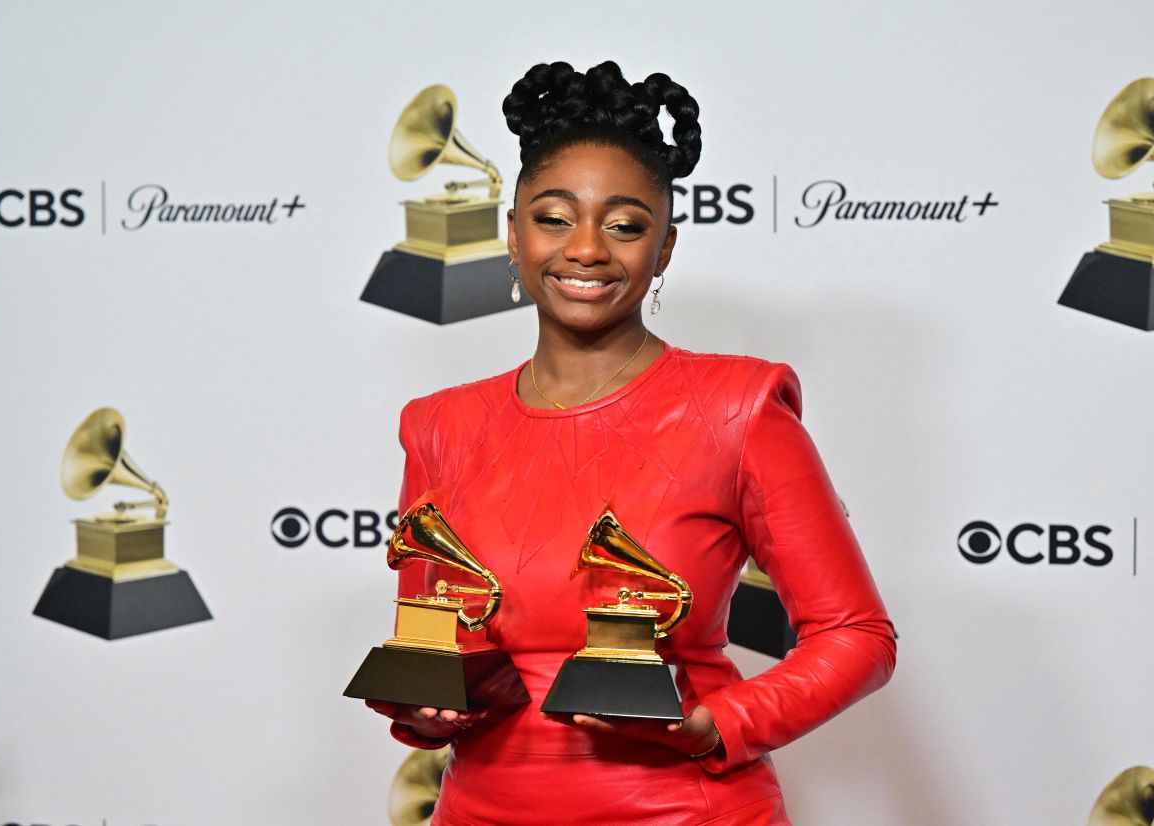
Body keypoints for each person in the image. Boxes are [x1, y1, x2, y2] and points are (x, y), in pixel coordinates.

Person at [365, 60, 896, 826]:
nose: (586, 249)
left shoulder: (739, 407)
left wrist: (721, 724)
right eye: (553, 218)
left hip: (686, 810)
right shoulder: (439, 425)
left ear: (666, 248)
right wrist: (425, 711)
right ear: (510, 235)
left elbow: (856, 636)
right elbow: (433, 644)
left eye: (624, 224)